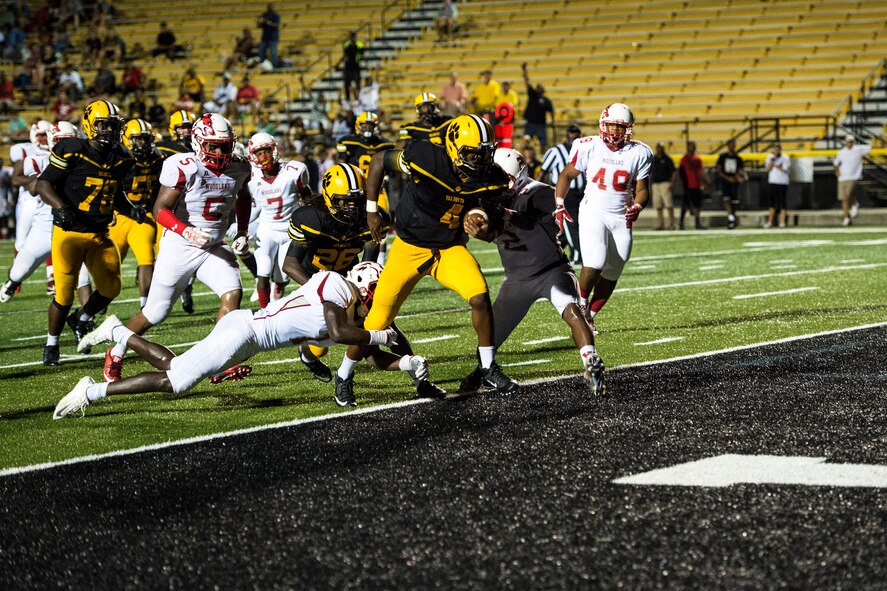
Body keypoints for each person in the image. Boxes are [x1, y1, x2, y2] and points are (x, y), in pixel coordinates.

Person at [53, 269, 422, 419]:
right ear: (364, 287)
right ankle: (92, 391)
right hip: (244, 330)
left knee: (175, 368)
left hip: (249, 338)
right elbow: (342, 335)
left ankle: (118, 332)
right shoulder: (337, 286)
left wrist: (408, 363)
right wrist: (383, 335)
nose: (373, 306)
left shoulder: (351, 315)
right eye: (373, 296)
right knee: (178, 381)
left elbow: (372, 356)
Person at [348, 114, 519, 397]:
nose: (480, 161)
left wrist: (480, 219)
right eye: (473, 154)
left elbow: (493, 226)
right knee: (377, 321)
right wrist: (370, 210)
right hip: (409, 247)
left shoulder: (493, 177)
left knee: (479, 293)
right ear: (453, 148)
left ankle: (488, 368)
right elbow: (379, 161)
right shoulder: (425, 157)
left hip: (447, 249)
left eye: (486, 154)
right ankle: (345, 373)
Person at [77, 113, 253, 383]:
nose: (219, 152)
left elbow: (243, 196)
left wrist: (242, 230)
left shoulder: (240, 166)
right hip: (180, 245)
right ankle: (117, 348)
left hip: (215, 245)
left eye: (224, 145)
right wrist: (186, 230)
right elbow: (159, 209)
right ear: (197, 142)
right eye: (213, 146)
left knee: (233, 294)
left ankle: (217, 359)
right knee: (155, 312)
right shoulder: (183, 165)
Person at [283, 165, 445, 402]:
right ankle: (308, 357)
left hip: (348, 280)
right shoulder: (310, 218)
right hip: (315, 282)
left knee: (381, 325)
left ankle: (421, 381)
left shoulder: (371, 219)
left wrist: (364, 296)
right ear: (329, 197)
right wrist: (319, 291)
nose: (351, 208)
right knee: (320, 346)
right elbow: (290, 265)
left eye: (356, 201)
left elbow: (367, 264)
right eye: (344, 201)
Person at [463, 148, 604, 394]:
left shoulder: (538, 192)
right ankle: (481, 373)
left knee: (571, 310)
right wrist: (477, 226)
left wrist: (502, 213)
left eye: (501, 177)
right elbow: (490, 233)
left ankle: (591, 361)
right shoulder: (488, 199)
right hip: (516, 278)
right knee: (490, 333)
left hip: (551, 269)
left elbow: (528, 219)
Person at [35, 100, 142, 366]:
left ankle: (81, 318)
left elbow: (114, 194)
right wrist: (60, 207)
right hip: (69, 233)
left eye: (114, 126)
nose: (109, 131)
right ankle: (52, 344)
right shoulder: (72, 149)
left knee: (111, 287)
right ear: (90, 124)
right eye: (104, 125)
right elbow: (43, 183)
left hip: (100, 233)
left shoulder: (121, 156)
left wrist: (132, 209)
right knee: (64, 294)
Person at [553, 103, 651, 335]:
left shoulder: (640, 152)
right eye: (612, 126)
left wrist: (638, 205)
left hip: (620, 217)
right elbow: (567, 175)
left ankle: (591, 316)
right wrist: (559, 203)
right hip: (593, 211)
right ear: (602, 124)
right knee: (595, 262)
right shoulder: (588, 146)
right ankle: (581, 304)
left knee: (615, 269)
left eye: (620, 128)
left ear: (628, 129)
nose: (615, 132)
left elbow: (644, 189)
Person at [1, 122, 79, 303]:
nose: (67, 147)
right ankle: (13, 282)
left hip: (77, 224)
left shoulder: (85, 160)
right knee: (20, 270)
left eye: (69, 142)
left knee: (82, 277)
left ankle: (86, 317)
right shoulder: (39, 159)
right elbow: (33, 188)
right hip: (46, 225)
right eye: (61, 141)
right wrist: (53, 170)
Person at [246, 132, 309, 308]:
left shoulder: (294, 171)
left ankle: (278, 292)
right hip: (267, 230)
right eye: (259, 153)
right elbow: (251, 206)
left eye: (266, 151)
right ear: (252, 155)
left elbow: (307, 198)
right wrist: (242, 229)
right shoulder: (251, 178)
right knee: (263, 272)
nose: (263, 156)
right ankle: (264, 312)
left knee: (283, 275)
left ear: (274, 149)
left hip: (290, 230)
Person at [110, 119, 164, 308]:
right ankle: (99, 299)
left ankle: (145, 304)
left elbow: (158, 189)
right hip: (119, 215)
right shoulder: (117, 158)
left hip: (143, 215)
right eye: (137, 139)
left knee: (146, 258)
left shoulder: (157, 159)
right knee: (111, 264)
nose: (141, 143)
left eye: (145, 139)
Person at [540, 123, 584, 264]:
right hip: (565, 193)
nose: (573, 136)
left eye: (575, 134)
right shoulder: (555, 151)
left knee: (575, 226)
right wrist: (536, 190)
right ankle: (578, 255)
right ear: (566, 135)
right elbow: (543, 171)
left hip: (581, 192)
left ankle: (552, 253)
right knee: (572, 225)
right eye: (571, 133)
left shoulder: (583, 150)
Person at [834, 135, 871, 226]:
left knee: (847, 195)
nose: (850, 143)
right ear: (845, 142)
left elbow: (871, 147)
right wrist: (837, 171)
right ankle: (846, 217)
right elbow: (836, 163)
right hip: (843, 177)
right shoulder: (842, 152)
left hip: (854, 176)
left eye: (851, 141)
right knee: (844, 198)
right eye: (848, 141)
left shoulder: (858, 149)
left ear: (854, 142)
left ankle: (853, 204)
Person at [520, 63, 554, 149]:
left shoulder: (546, 100)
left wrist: (552, 122)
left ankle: (543, 158)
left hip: (540, 125)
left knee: (543, 143)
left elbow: (551, 111)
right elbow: (527, 81)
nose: (539, 87)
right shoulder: (533, 95)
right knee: (525, 141)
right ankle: (522, 157)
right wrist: (524, 70)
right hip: (530, 123)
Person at [716, 138, 746, 229]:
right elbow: (718, 169)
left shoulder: (737, 158)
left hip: (734, 181)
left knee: (734, 201)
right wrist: (728, 178)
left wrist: (740, 177)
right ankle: (731, 218)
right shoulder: (723, 157)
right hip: (726, 181)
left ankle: (732, 217)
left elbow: (741, 170)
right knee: (727, 199)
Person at [678, 141, 708, 230]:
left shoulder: (697, 159)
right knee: (685, 205)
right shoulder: (684, 159)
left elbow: (701, 172)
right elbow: (681, 173)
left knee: (697, 205)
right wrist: (683, 185)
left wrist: (705, 181)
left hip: (696, 185)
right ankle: (681, 222)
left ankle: (697, 223)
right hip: (688, 185)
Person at [762, 142, 791, 229]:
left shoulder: (785, 158)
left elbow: (784, 169)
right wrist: (773, 162)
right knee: (772, 203)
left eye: (778, 148)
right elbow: (768, 168)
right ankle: (770, 221)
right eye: (775, 148)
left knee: (782, 202)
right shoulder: (770, 157)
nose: (776, 150)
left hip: (782, 182)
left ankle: (782, 221)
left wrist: (777, 165)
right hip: (773, 181)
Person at [650, 142, 677, 230]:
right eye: (658, 147)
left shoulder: (667, 159)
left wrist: (672, 183)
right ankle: (661, 224)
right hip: (655, 184)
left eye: (661, 147)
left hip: (665, 183)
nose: (659, 149)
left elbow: (673, 172)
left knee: (669, 204)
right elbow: (650, 172)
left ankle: (672, 224)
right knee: (658, 205)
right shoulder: (653, 159)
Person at [340, 31, 365, 102]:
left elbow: (362, 53)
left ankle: (359, 98)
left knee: (358, 84)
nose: (353, 39)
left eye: (354, 37)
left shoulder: (360, 44)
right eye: (351, 37)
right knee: (347, 84)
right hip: (348, 67)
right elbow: (345, 55)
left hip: (356, 66)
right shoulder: (346, 45)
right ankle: (347, 99)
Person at [256, 4, 280, 69]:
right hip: (265, 38)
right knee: (261, 51)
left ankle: (274, 66)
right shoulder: (264, 15)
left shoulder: (275, 15)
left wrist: (268, 22)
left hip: (273, 38)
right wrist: (260, 21)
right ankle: (262, 65)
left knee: (273, 52)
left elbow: (277, 25)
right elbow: (258, 25)